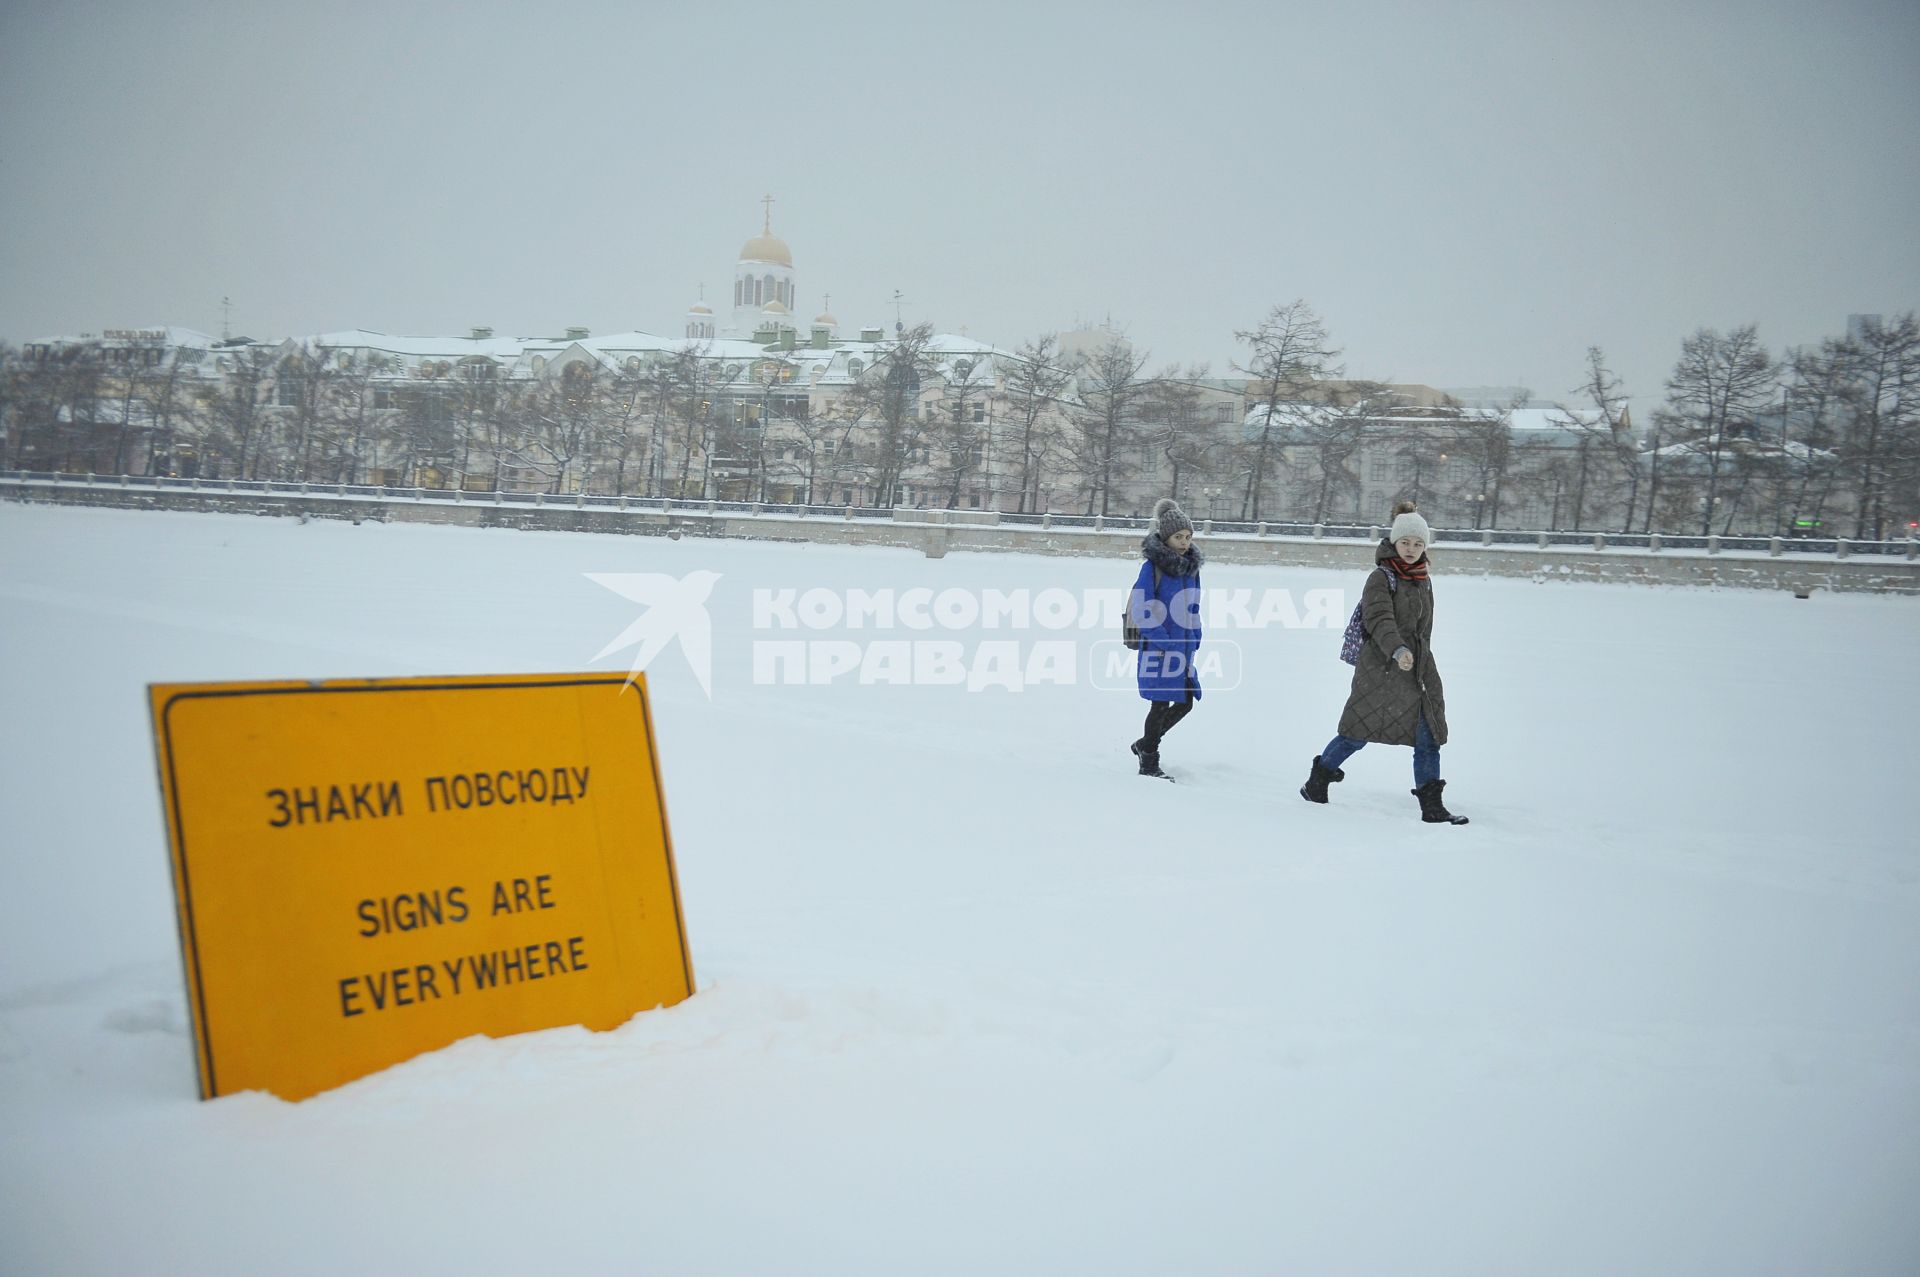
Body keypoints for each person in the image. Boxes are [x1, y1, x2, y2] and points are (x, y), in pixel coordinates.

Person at [1300, 500, 1467, 824]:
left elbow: (1424, 628)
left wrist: (1417, 657)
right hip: (1382, 668)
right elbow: (1379, 619)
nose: (1411, 548)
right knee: (1357, 732)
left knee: (1428, 735)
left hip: (1418, 669)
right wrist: (1398, 649)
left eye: (1418, 543)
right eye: (1405, 542)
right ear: (1394, 542)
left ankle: (1432, 807)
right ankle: (1317, 780)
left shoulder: (1423, 578)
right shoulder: (1381, 577)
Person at [1129, 498, 1203, 780]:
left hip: (1183, 647)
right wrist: (1164, 641)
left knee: (1185, 701)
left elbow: (1193, 607)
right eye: (1178, 537)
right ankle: (1149, 761)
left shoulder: (1191, 568)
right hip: (1158, 648)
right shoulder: (1152, 568)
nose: (1184, 542)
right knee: (1160, 703)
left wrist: (1196, 636)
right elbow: (1142, 608)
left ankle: (1144, 744)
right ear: (1165, 537)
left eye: (1188, 537)